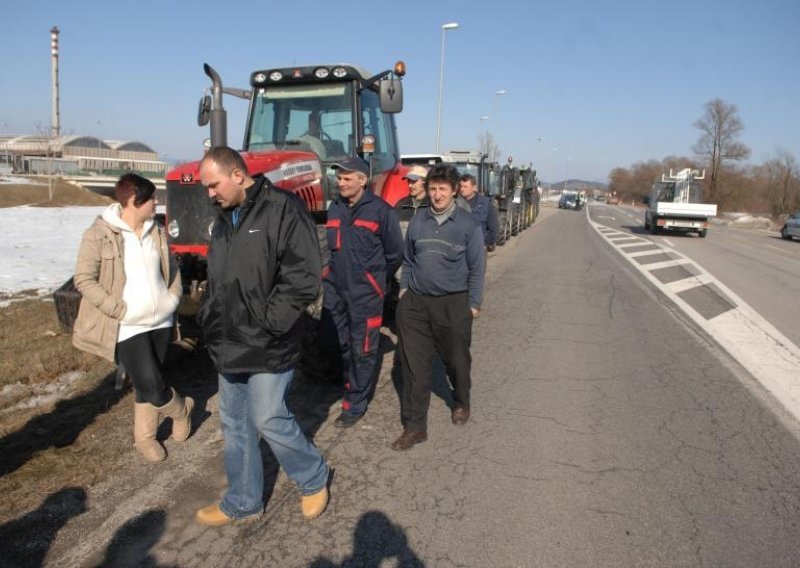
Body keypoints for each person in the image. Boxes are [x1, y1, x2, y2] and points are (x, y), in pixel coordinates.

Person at [195, 146, 329, 525]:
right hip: (228, 340)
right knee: (235, 425)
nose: (210, 194)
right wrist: (209, 315)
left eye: (213, 185)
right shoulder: (223, 217)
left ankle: (313, 476)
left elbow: (304, 276)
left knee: (269, 417)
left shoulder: (282, 209)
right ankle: (243, 500)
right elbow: (219, 276)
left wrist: (270, 320)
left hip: (270, 340)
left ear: (237, 175)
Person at [73, 173, 192, 463]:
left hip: (161, 321)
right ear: (132, 201)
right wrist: (118, 309)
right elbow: (83, 279)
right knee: (152, 383)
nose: (156, 203)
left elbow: (172, 270)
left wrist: (173, 298)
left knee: (146, 381)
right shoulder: (99, 233)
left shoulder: (157, 231)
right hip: (127, 325)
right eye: (151, 198)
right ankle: (182, 410)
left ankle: (145, 438)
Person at [392, 164, 486, 451]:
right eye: (433, 188)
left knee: (457, 360)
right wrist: (405, 290)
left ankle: (461, 400)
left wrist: (473, 304)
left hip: (453, 303)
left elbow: (477, 268)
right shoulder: (419, 220)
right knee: (414, 368)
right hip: (416, 304)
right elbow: (409, 259)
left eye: (443, 189)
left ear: (454, 190)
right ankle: (415, 427)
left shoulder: (467, 225)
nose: (437, 194)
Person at [322, 157, 404, 428]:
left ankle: (354, 403)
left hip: (366, 294)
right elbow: (330, 249)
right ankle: (348, 383)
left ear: (362, 180)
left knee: (363, 347)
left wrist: (374, 279)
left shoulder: (381, 211)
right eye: (339, 178)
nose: (341, 182)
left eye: (347, 178)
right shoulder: (334, 208)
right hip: (336, 290)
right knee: (339, 343)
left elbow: (395, 254)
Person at [459, 173, 499, 252]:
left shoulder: (485, 203)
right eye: (461, 186)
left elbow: (493, 228)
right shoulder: (455, 203)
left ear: (474, 188)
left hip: (478, 248)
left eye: (465, 187)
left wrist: (484, 243)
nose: (462, 189)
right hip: (459, 248)